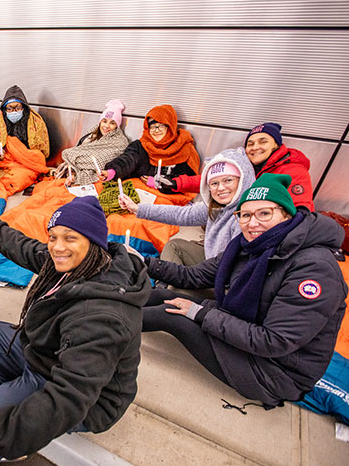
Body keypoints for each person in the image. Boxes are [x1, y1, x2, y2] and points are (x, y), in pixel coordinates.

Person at [0, 196, 149, 465]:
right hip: (49, 354)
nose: (57, 247)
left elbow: (69, 397)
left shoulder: (101, 317)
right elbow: (23, 247)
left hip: (89, 397)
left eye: (70, 238)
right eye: (53, 237)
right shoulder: (77, 263)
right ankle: (12, 427)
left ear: (93, 242)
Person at [142, 173, 347, 407]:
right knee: (163, 295)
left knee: (172, 316)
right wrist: (145, 263)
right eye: (245, 215)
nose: (252, 223)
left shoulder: (314, 270)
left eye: (264, 213)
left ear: (286, 214)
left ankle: (100, 325)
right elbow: (194, 276)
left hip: (275, 371)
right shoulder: (247, 246)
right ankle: (105, 304)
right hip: (243, 327)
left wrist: (200, 313)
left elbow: (273, 341)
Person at [120, 148, 255, 266]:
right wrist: (137, 209)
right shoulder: (216, 206)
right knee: (174, 246)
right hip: (212, 261)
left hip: (224, 282)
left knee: (170, 290)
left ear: (243, 180)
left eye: (228, 180)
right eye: (214, 183)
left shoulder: (247, 220)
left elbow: (223, 271)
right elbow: (182, 214)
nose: (221, 188)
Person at [172, 123, 314, 211]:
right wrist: (177, 183)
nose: (255, 147)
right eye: (250, 144)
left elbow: (301, 211)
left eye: (263, 142)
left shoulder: (293, 171)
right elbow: (213, 179)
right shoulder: (245, 164)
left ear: (276, 145)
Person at [103, 104, 200, 194]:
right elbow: (127, 160)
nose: (156, 130)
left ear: (170, 126)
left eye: (161, 126)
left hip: (168, 198)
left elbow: (188, 180)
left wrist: (160, 183)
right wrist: (112, 171)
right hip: (139, 193)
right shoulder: (140, 146)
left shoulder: (184, 148)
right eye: (152, 127)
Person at [0, 85, 50, 176]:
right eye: (9, 109)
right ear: (4, 109)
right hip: (1, 161)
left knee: (25, 171)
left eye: (17, 108)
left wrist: (17, 151)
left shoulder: (34, 122)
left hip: (23, 163)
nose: (14, 111)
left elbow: (39, 153)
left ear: (24, 108)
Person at [60, 99, 129, 185]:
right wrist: (73, 173)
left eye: (112, 123)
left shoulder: (120, 142)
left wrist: (75, 159)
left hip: (99, 178)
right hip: (76, 171)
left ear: (117, 126)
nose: (106, 126)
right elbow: (77, 151)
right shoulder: (92, 134)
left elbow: (100, 162)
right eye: (104, 121)